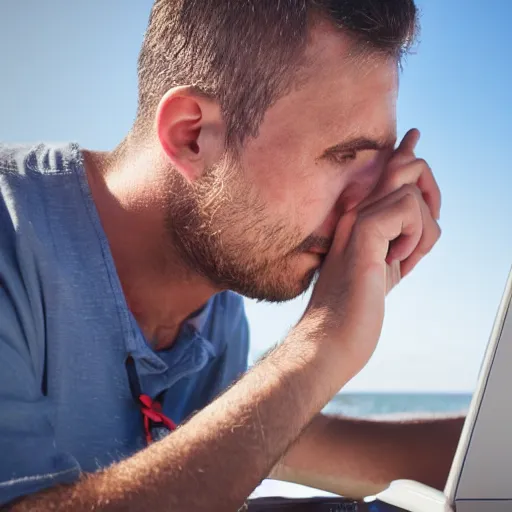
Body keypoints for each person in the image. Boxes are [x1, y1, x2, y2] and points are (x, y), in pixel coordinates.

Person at [0, 1, 465, 510]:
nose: (369, 205)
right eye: (344, 156)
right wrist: (321, 343)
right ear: (191, 135)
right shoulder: (13, 236)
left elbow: (273, 441)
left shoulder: (216, 303)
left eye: (378, 165)